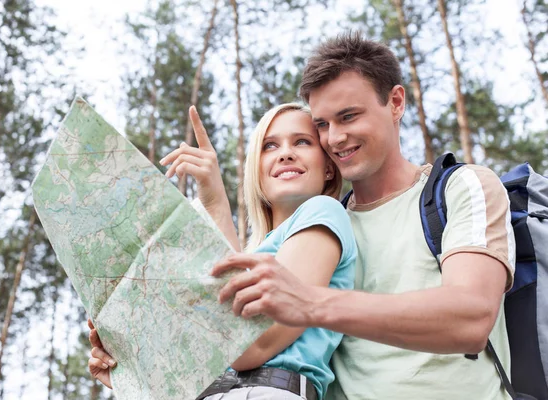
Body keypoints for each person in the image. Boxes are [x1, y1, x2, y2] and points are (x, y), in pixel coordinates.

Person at [210, 32, 515, 399]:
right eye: (322, 124)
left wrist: (311, 303)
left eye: (348, 116)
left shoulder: (459, 187)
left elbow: (471, 317)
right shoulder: (322, 225)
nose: (335, 138)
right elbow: (247, 337)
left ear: (396, 102)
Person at [88, 103, 358, 400]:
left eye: (302, 142)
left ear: (329, 168)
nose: (285, 153)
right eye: (270, 145)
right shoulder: (253, 255)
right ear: (256, 168)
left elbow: (253, 346)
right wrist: (131, 368)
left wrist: (216, 202)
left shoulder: (324, 212)